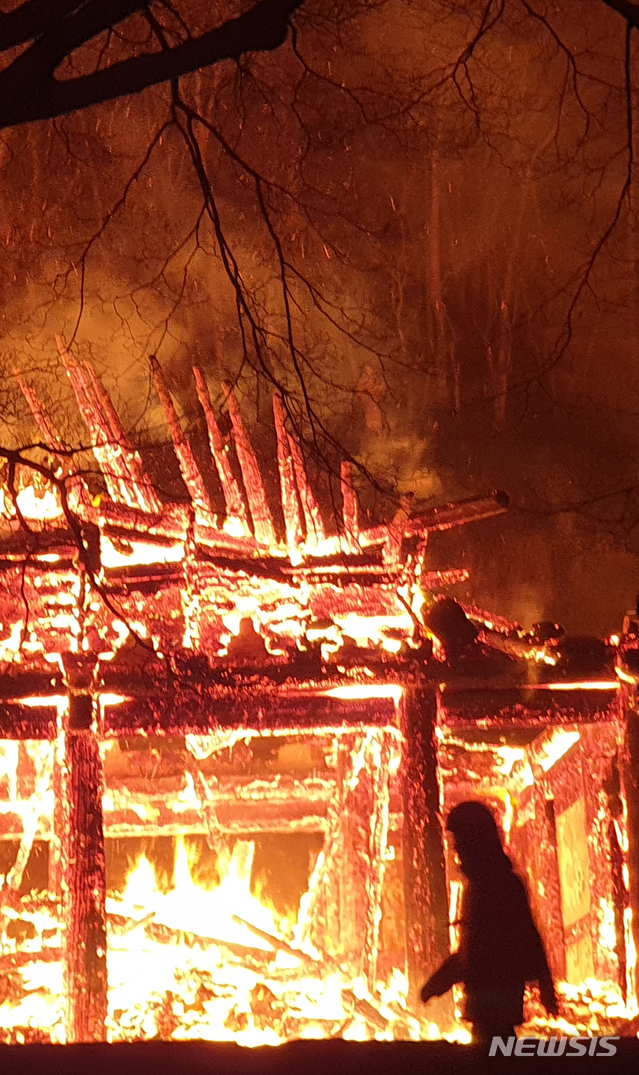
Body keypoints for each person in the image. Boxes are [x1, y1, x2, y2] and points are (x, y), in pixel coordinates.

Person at [421, 800, 558, 1045]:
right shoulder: (486, 886)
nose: (457, 850)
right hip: (494, 1003)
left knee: (493, 1054)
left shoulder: (496, 887)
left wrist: (440, 981)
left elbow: (491, 948)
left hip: (493, 1001)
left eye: (460, 841)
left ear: (476, 841)